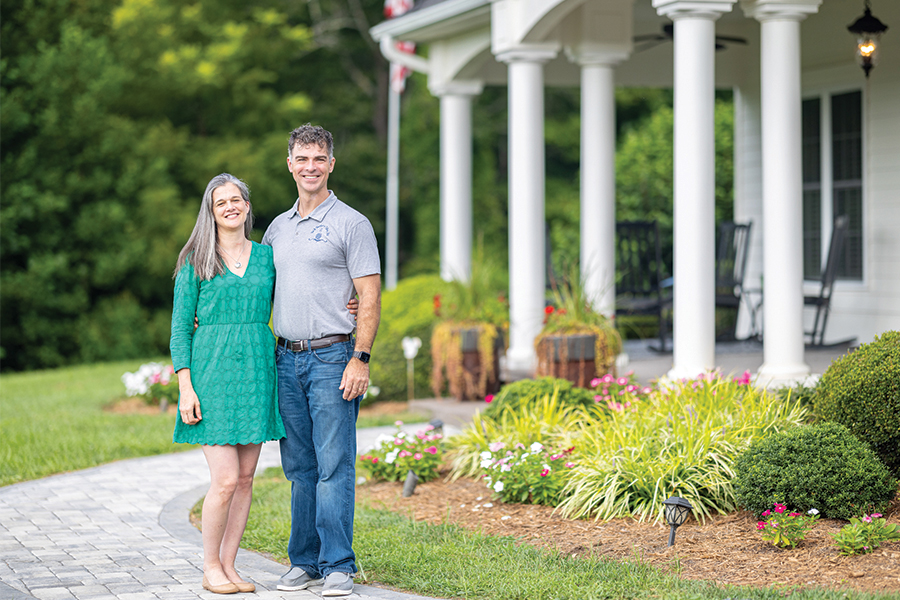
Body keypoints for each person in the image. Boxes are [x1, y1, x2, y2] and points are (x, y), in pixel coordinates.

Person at [264, 124, 381, 597]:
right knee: (299, 467)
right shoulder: (276, 227)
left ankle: (338, 565)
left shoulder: (352, 223)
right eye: (302, 158)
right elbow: (260, 290)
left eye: (319, 158)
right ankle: (304, 562)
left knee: (335, 464)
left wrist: (361, 357)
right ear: (289, 164)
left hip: (333, 358)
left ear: (331, 164)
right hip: (285, 360)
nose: (310, 166)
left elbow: (369, 297)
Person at [170, 173, 285, 595]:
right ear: (211, 211)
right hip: (212, 377)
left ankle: (231, 565)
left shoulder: (268, 257)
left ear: (248, 207)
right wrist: (186, 386)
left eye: (237, 200)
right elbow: (180, 329)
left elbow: (296, 297)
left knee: (247, 478)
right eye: (222, 202)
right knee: (224, 479)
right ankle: (209, 566)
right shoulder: (195, 262)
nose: (231, 207)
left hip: (256, 373)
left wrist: (348, 299)